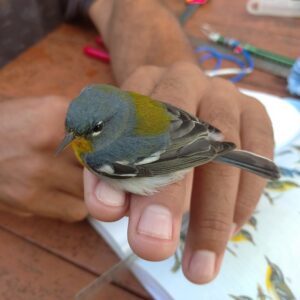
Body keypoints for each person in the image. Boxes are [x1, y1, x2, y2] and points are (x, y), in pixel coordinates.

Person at [0, 0, 274, 284]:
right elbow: (171, 117)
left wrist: (175, 73)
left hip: (172, 153)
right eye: (70, 130)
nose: (72, 139)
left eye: (88, 131)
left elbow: (163, 155)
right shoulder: (104, 121)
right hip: (181, 130)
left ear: (103, 124)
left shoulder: (100, 155)